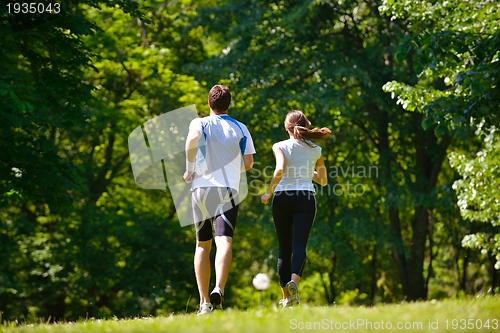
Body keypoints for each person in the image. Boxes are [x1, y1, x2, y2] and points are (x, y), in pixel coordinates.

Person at [183, 85, 255, 315]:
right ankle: (219, 289)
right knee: (224, 240)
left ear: (208, 104)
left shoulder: (200, 123)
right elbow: (249, 162)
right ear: (229, 104)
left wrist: (189, 168)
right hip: (228, 189)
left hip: (201, 189)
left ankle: (204, 302)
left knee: (203, 244)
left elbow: (193, 139)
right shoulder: (240, 128)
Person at [260, 110, 330, 307]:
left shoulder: (280, 146)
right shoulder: (316, 150)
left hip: (282, 198)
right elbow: (323, 181)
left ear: (286, 127)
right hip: (305, 198)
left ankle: (286, 298)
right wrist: (309, 172)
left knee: (284, 249)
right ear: (305, 125)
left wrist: (268, 192)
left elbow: (280, 169)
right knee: (299, 245)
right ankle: (294, 284)